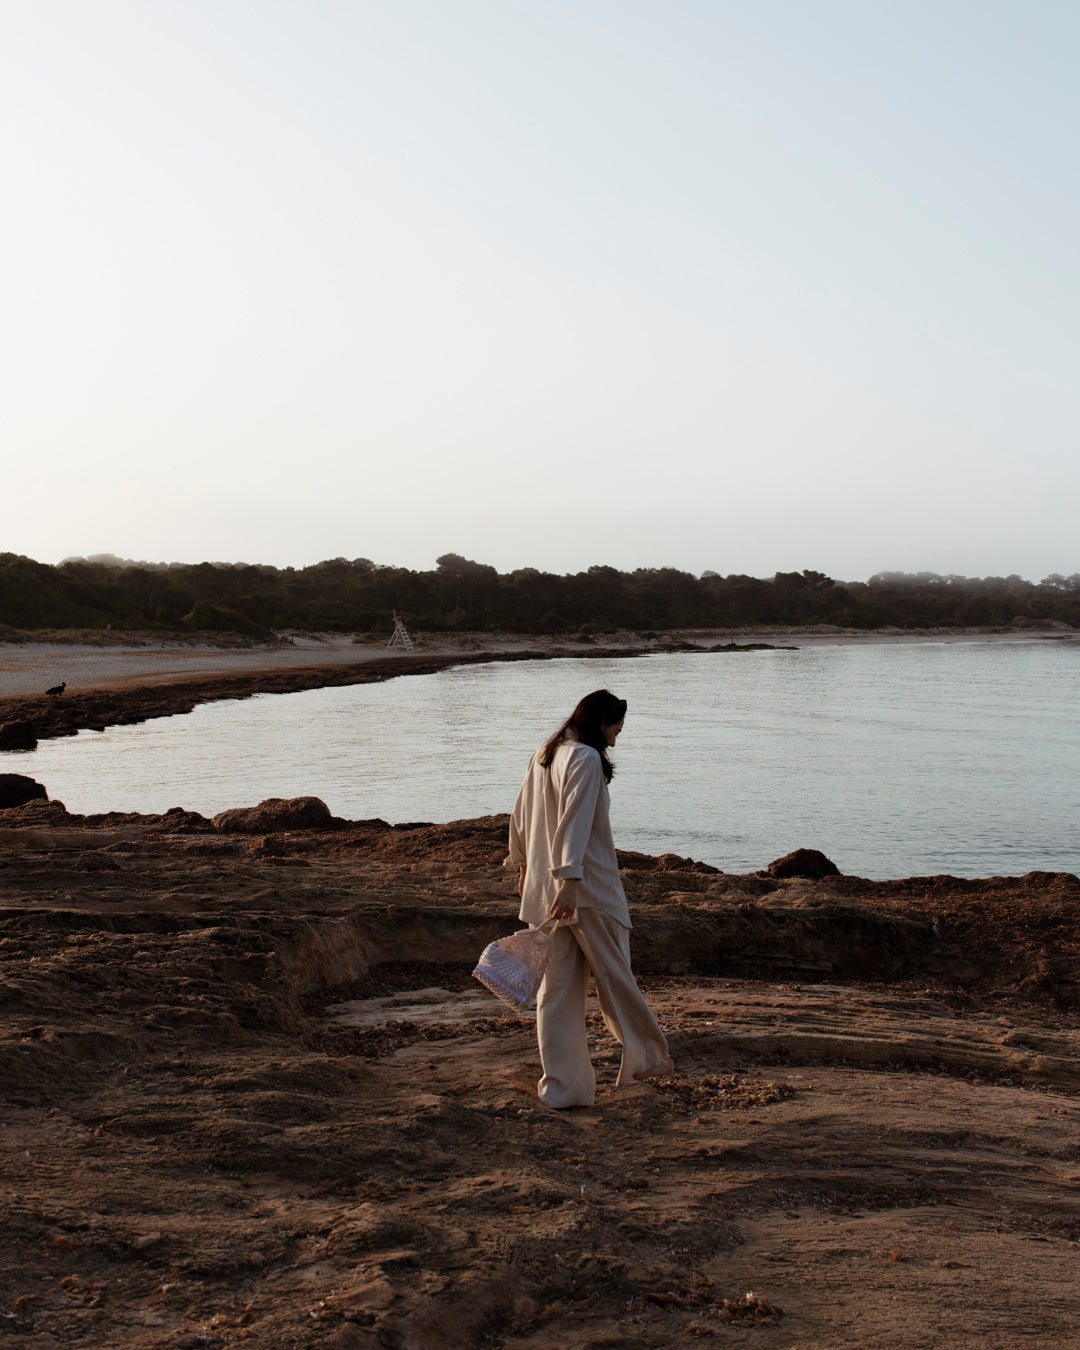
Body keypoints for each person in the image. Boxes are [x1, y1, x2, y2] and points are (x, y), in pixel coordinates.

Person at [506, 689, 673, 1108]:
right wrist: (570, 880)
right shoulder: (584, 757)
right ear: (600, 722)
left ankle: (564, 1090)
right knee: (617, 976)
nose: (616, 739)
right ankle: (648, 1057)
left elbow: (520, 815)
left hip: (548, 892)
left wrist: (525, 866)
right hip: (586, 891)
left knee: (557, 993)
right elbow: (575, 822)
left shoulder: (545, 755)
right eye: (616, 728)